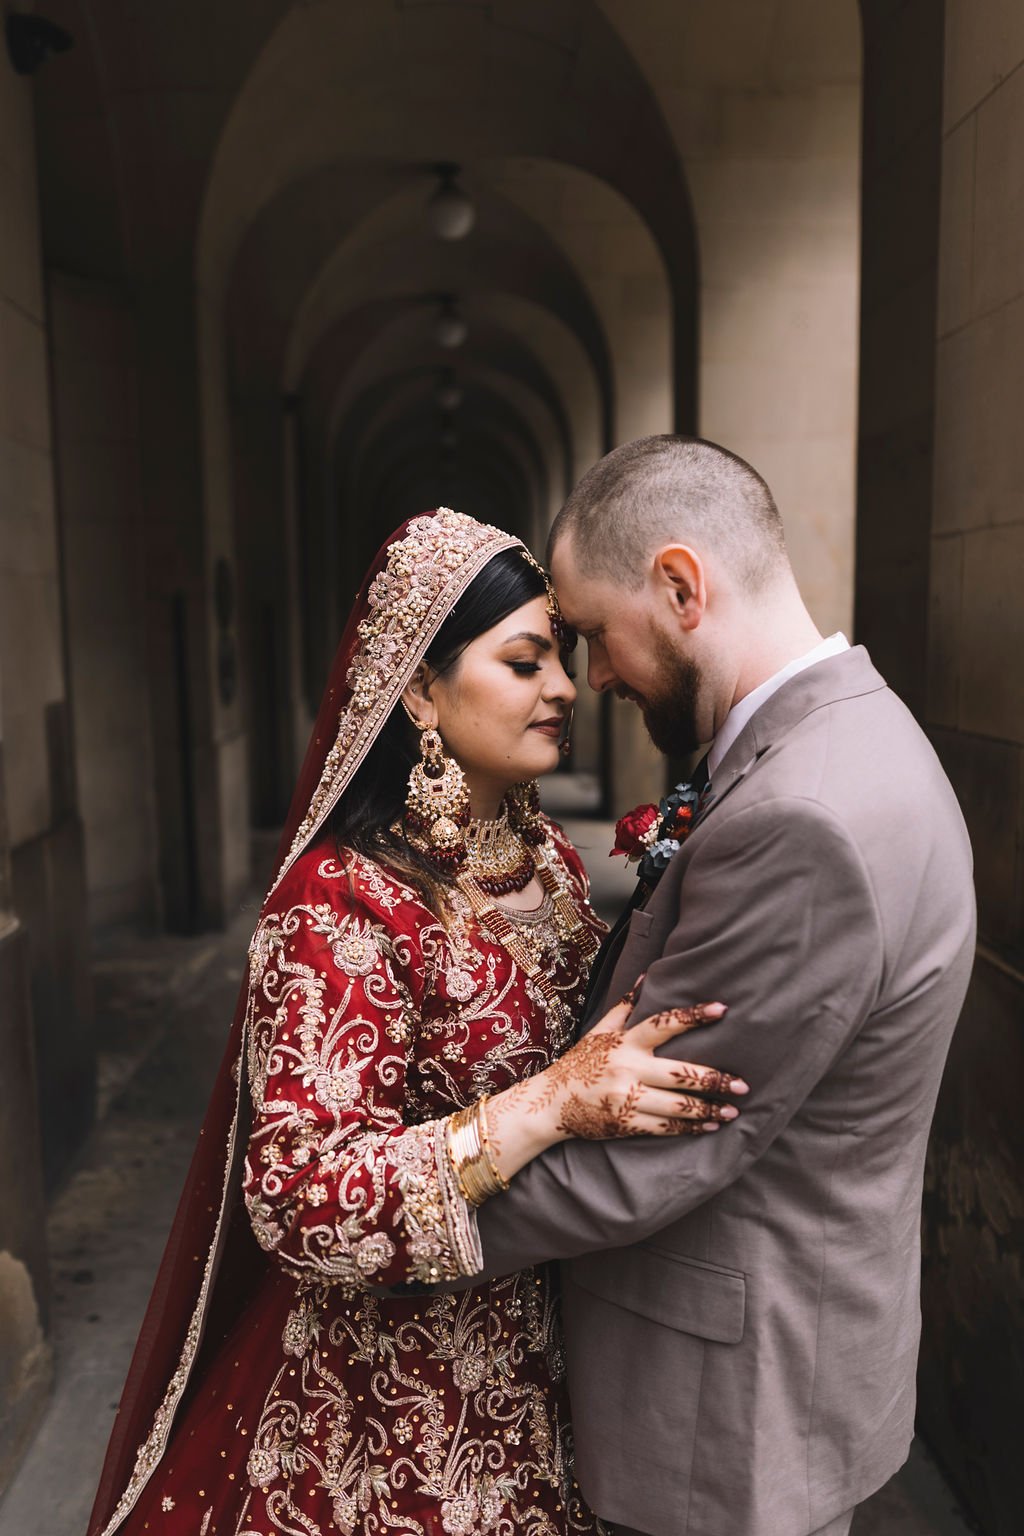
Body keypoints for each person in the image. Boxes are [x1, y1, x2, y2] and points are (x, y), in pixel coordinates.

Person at [86, 509, 747, 1536]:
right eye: (524, 661)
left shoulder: (553, 871)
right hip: (389, 1407)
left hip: (559, 1365)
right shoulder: (344, 905)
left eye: (564, 659)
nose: (565, 688)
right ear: (421, 690)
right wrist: (552, 1103)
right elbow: (303, 1199)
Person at [462, 437, 977, 1536]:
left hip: (719, 1409)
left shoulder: (804, 815)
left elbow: (665, 1142)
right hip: (781, 1355)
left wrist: (407, 1218)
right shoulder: (857, 737)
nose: (590, 676)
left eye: (596, 633)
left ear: (681, 586)